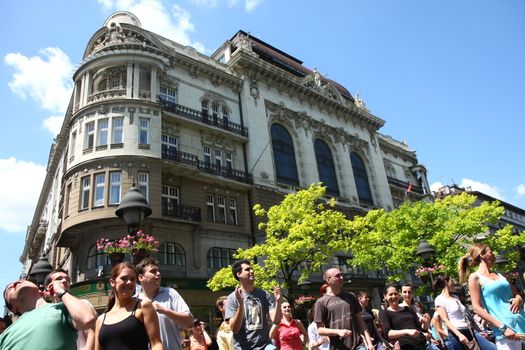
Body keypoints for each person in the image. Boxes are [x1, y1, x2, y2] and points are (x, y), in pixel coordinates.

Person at [459, 243, 525, 350]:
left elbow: (517, 294)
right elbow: (476, 308)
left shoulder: (501, 275)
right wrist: (502, 327)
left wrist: (518, 299)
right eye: (491, 251)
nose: (494, 254)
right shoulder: (475, 277)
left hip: (522, 324)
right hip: (506, 333)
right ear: (482, 255)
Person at [0, 277, 96, 349]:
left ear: (39, 290)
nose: (16, 283)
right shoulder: (5, 336)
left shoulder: (62, 308)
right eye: (10, 289)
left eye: (23, 280)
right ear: (13, 309)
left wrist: (61, 291)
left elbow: (87, 319)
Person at [95, 262, 163, 350]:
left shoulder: (143, 306)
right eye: (124, 278)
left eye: (132, 279)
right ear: (112, 282)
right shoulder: (100, 320)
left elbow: (156, 343)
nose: (129, 282)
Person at [137, 257, 193, 350]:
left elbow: (189, 323)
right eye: (153, 271)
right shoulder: (135, 300)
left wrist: (165, 311)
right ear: (141, 277)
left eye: (158, 271)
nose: (158, 273)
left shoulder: (170, 293)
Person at [225, 259, 282, 350]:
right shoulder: (232, 298)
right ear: (238, 274)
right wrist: (241, 304)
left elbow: (276, 320)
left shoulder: (264, 294)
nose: (252, 271)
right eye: (247, 269)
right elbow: (234, 329)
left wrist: (278, 302)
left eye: (252, 269)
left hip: (265, 346)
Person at [314, 268, 374, 350]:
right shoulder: (321, 302)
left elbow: (360, 321)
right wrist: (337, 331)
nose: (341, 278)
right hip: (338, 347)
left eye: (341, 275)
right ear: (328, 280)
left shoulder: (350, 296)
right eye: (337, 276)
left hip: (358, 345)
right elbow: (320, 330)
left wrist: (369, 343)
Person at [44, 268, 96, 350]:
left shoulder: (81, 304)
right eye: (59, 279)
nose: (65, 281)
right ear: (49, 287)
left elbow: (91, 334)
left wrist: (60, 292)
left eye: (67, 279)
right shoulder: (44, 311)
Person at [379, 283, 430, 350]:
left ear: (399, 295)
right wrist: (407, 331)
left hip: (425, 344)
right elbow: (388, 333)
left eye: (395, 294)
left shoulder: (409, 309)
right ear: (385, 296)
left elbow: (422, 329)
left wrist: (425, 322)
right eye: (390, 294)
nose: (394, 296)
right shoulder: (385, 313)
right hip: (408, 347)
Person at [432, 274, 473, 350]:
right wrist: (459, 335)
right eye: (451, 280)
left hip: (468, 329)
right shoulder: (439, 299)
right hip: (456, 333)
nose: (453, 283)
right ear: (446, 282)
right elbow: (445, 320)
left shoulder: (456, 297)